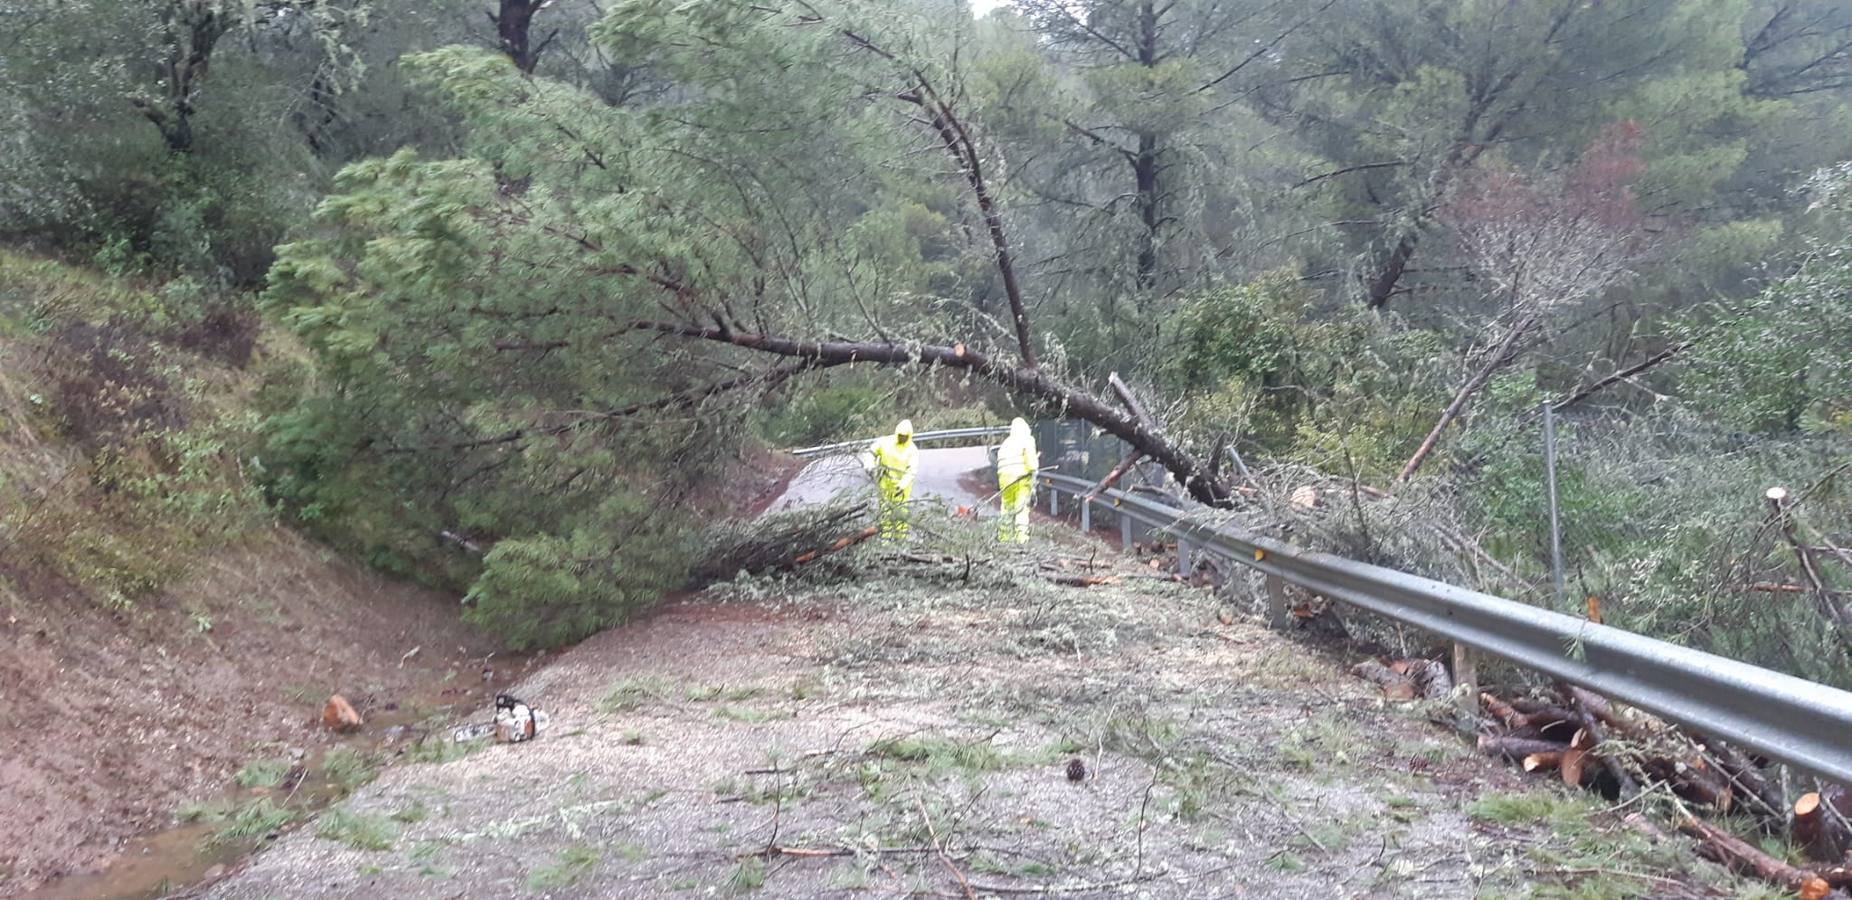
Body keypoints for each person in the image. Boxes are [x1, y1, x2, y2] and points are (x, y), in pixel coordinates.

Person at [860, 419, 919, 540]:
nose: (902, 438)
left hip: (902, 490)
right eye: (901, 435)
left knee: (900, 514)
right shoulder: (885, 442)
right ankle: (885, 539)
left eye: (905, 436)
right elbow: (870, 452)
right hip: (885, 485)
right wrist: (869, 465)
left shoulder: (912, 450)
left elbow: (911, 470)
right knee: (885, 512)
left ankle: (900, 540)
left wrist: (902, 485)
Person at [996, 418, 1039, 543]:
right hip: (1021, 478)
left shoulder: (1006, 443)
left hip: (1004, 478)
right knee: (1021, 508)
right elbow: (1031, 462)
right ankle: (1022, 540)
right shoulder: (1027, 439)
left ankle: (1004, 539)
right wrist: (1034, 473)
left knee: (1006, 508)